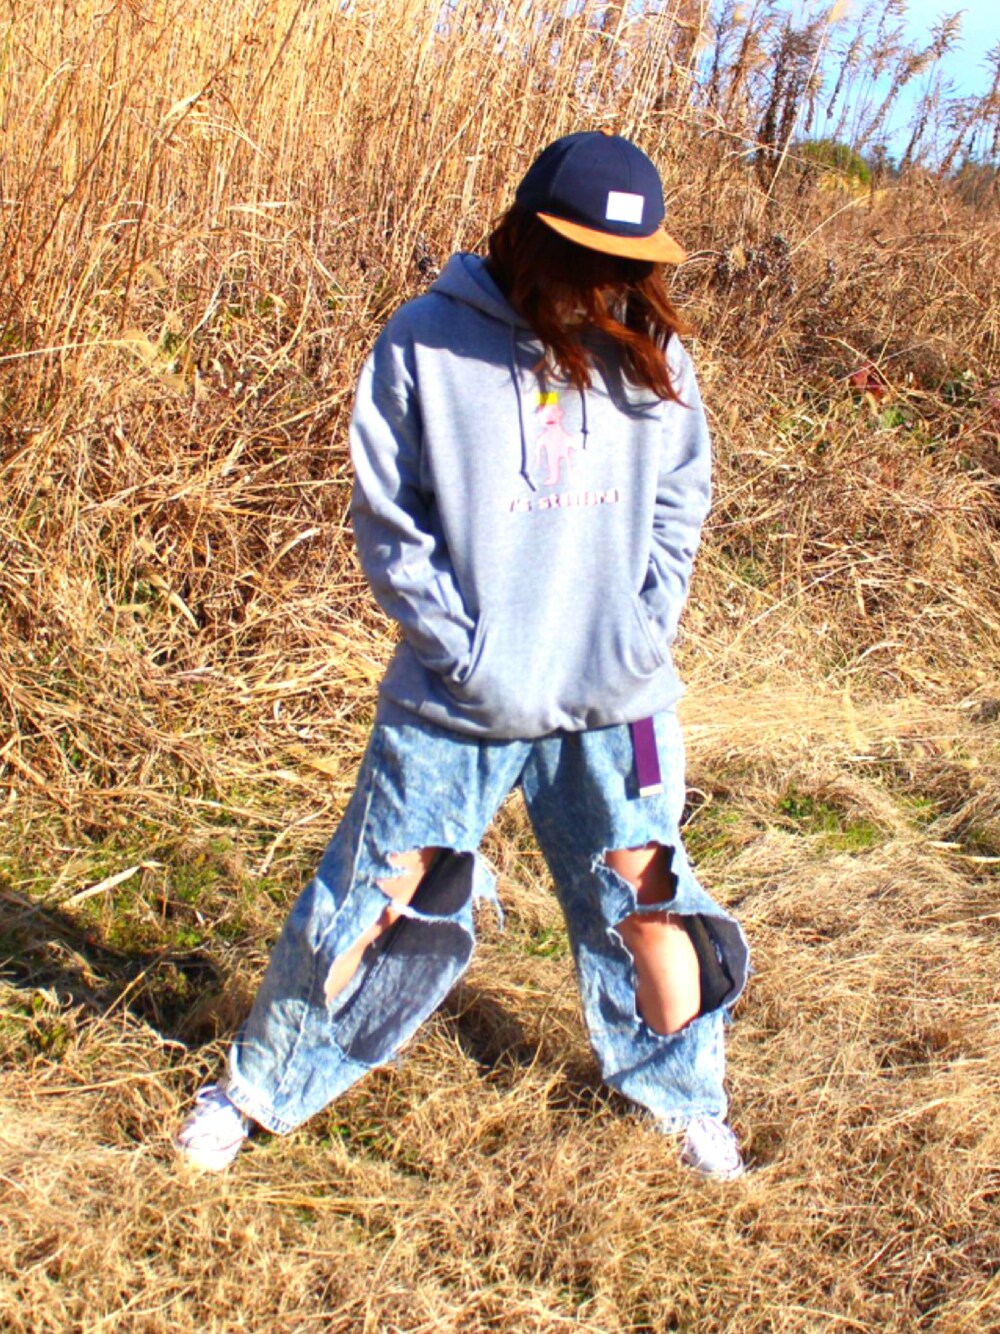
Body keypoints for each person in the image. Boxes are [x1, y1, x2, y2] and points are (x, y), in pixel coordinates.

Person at [174, 130, 750, 1179]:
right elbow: (390, 520)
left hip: (616, 699)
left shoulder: (654, 351)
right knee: (369, 903)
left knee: (646, 900)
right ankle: (262, 1087)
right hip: (457, 699)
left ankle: (681, 1099)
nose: (608, 281)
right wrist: (464, 652)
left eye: (627, 263)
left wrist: (642, 623)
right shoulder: (427, 341)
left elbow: (681, 495)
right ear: (532, 236)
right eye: (587, 255)